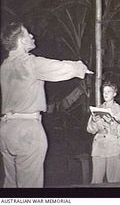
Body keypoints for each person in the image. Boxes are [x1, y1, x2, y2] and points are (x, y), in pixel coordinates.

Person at [0, 22, 93, 188]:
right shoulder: (29, 63)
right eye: (28, 34)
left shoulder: (4, 66)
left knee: (10, 183)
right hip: (27, 130)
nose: (32, 36)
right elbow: (58, 68)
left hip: (6, 129)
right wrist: (80, 67)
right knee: (29, 185)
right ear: (21, 41)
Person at [87, 82, 120, 184]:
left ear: (115, 93)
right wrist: (94, 121)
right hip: (99, 146)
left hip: (114, 146)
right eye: (104, 92)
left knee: (113, 180)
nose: (105, 94)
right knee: (96, 180)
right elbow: (90, 130)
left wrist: (111, 123)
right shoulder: (98, 108)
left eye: (109, 91)